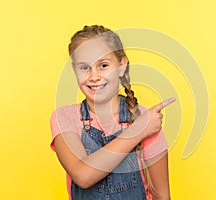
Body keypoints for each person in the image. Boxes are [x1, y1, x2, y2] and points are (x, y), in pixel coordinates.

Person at [50, 25, 175, 200]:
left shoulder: (146, 119)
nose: (94, 76)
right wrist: (138, 130)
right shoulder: (65, 118)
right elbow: (83, 176)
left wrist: (143, 127)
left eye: (103, 65)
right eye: (84, 67)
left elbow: (162, 196)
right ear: (74, 70)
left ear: (122, 65)